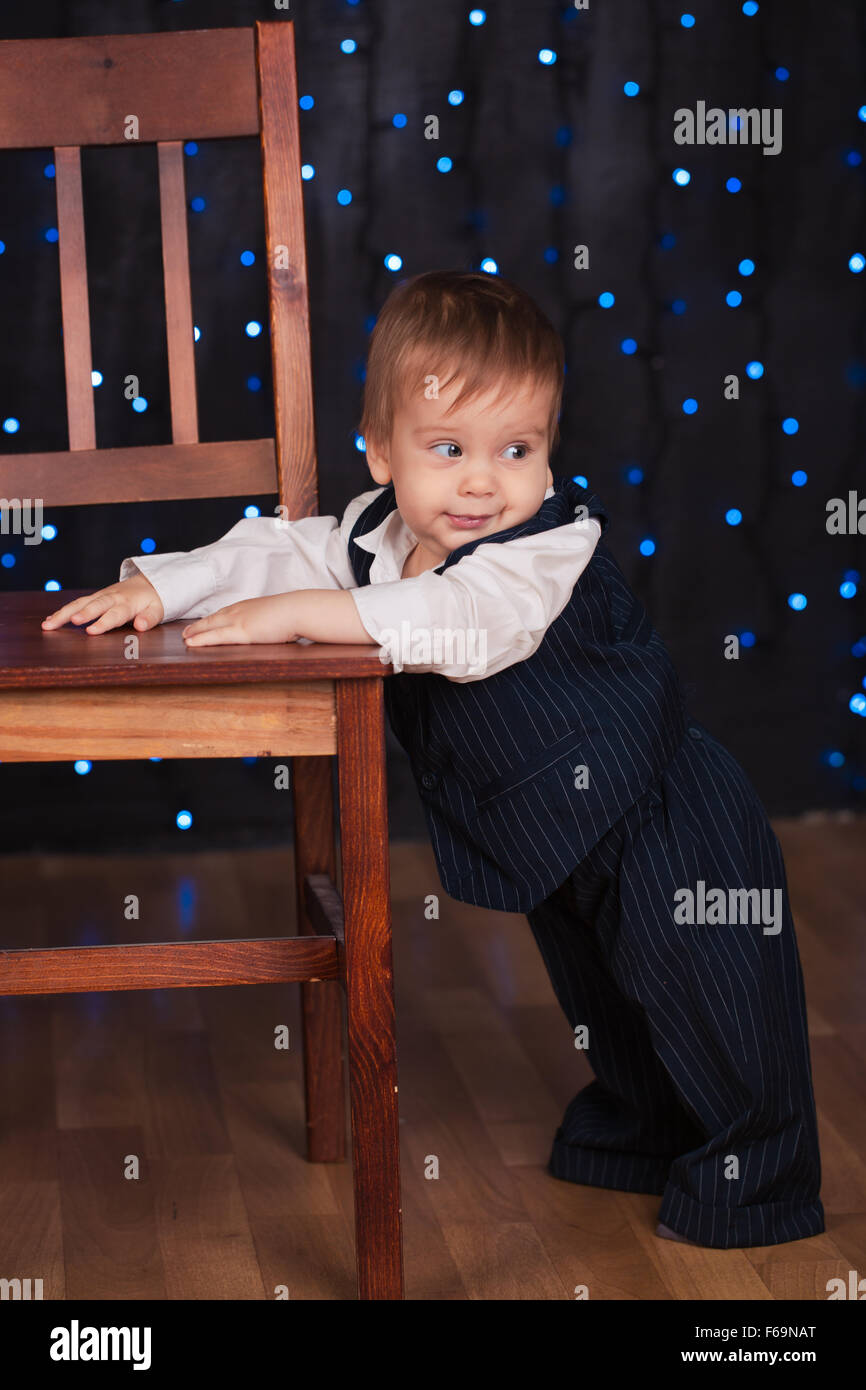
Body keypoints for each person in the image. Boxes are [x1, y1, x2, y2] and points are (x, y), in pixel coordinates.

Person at [41, 269, 824, 1249]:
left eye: (516, 449)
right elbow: (272, 553)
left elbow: (461, 623)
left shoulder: (545, 547)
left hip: (660, 809)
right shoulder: (377, 534)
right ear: (380, 454)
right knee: (609, 996)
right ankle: (647, 1129)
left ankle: (758, 1179)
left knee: (710, 989)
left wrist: (299, 617)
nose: (482, 481)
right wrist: (167, 588)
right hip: (551, 835)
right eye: (447, 449)